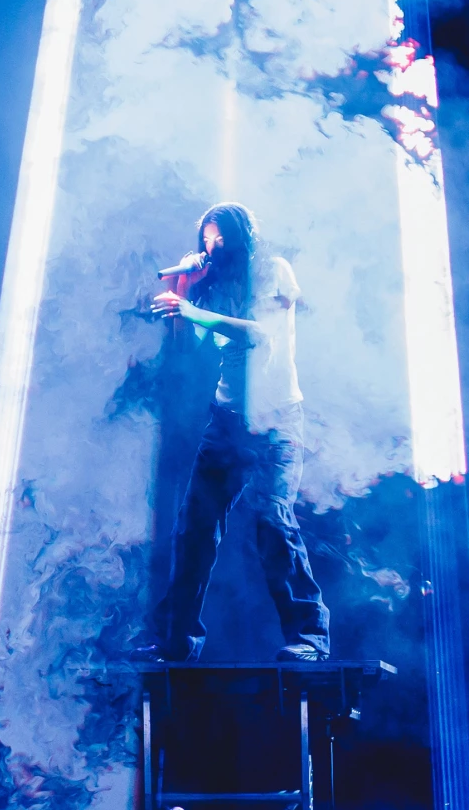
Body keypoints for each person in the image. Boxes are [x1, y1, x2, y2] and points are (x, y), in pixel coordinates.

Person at [140, 202, 330, 663]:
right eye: (206, 238)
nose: (211, 246)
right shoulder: (215, 287)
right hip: (227, 420)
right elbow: (205, 343)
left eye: (219, 237)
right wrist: (185, 295)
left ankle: (310, 636)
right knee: (194, 528)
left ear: (242, 234)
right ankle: (176, 638)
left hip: (275, 420)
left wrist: (192, 309)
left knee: (272, 521)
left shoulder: (273, 271)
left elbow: (258, 335)